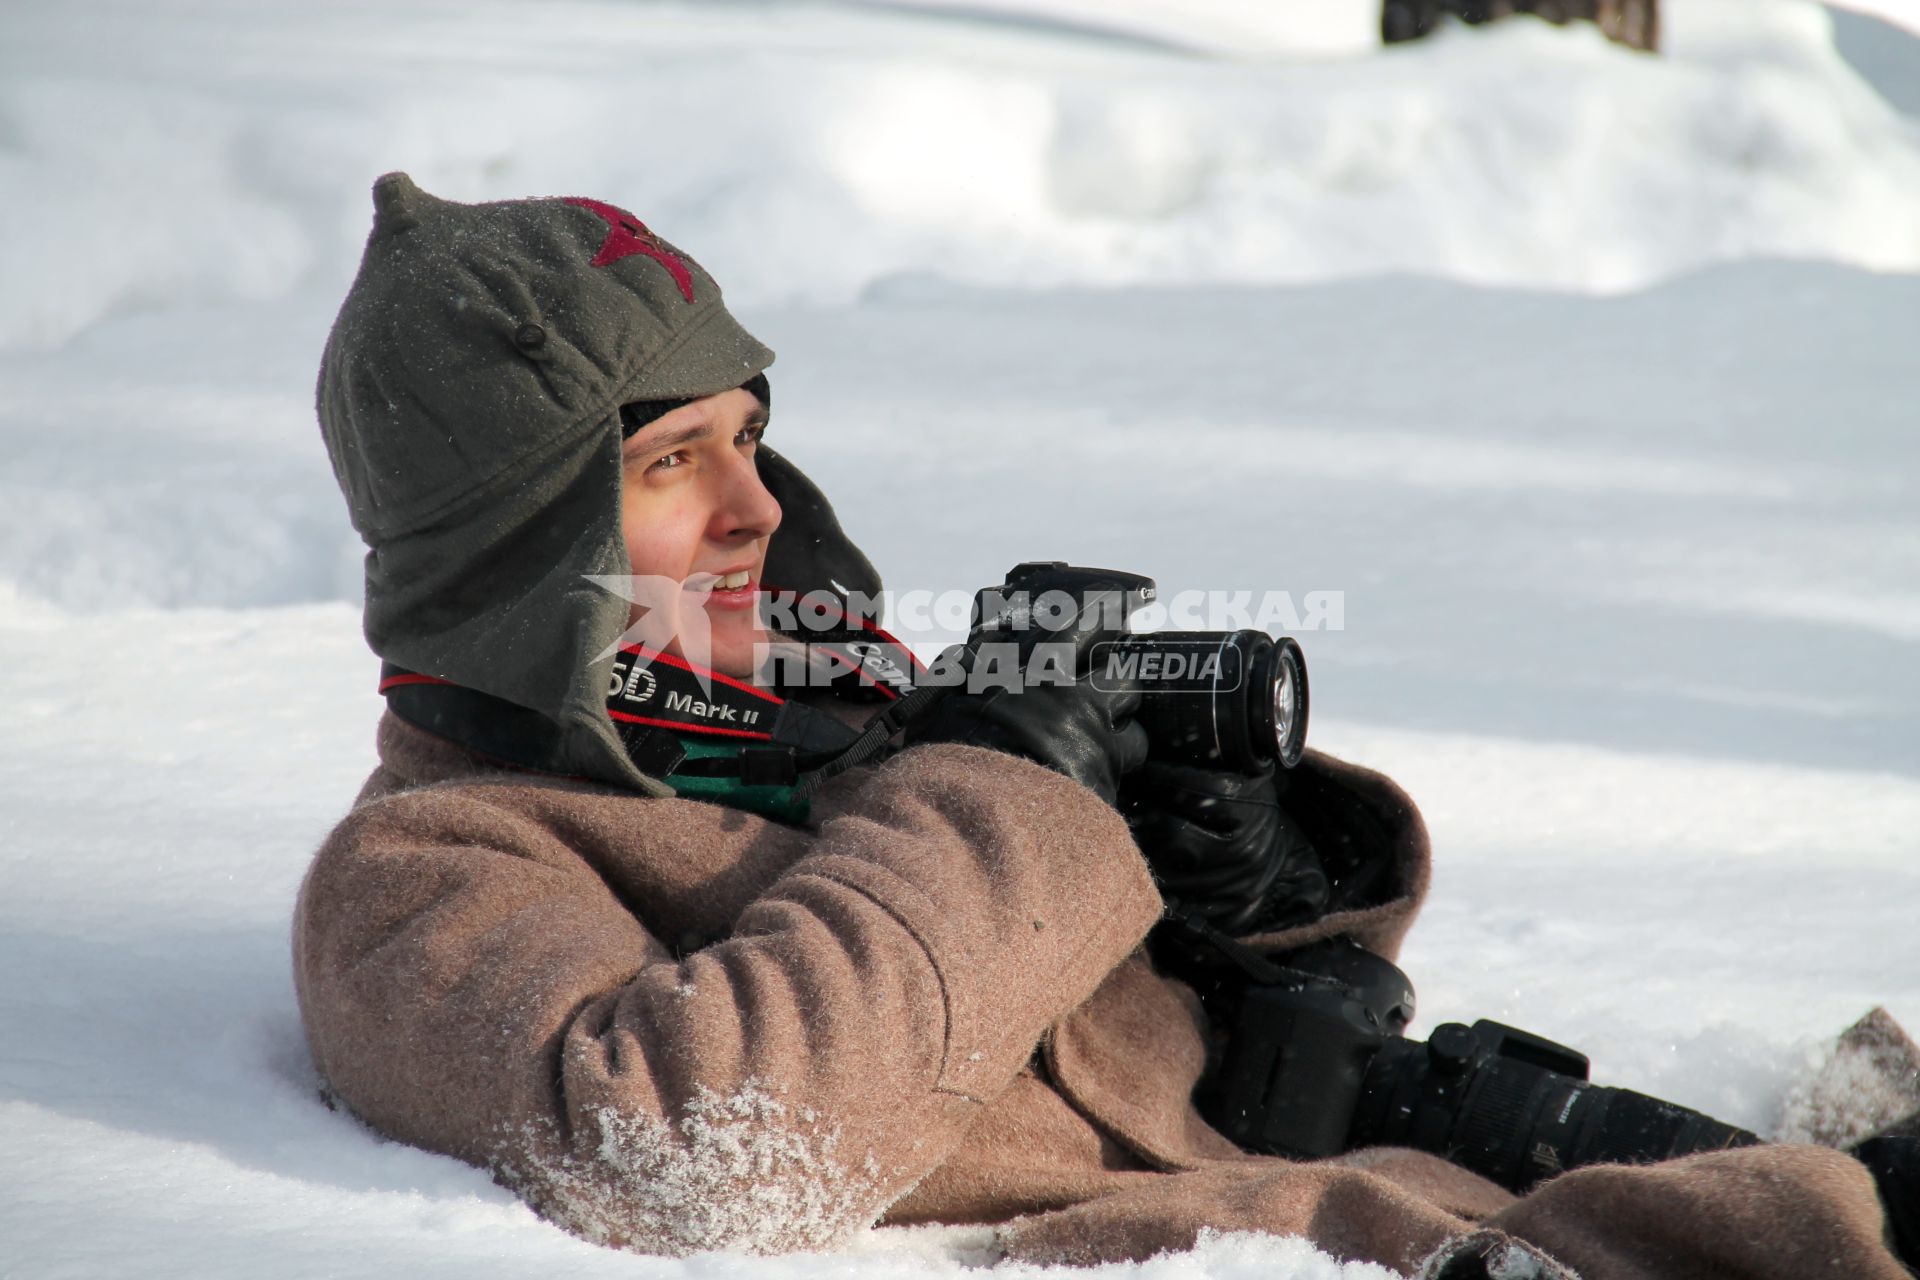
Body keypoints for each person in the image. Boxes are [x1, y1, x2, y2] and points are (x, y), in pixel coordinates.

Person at [293, 174, 1911, 1278]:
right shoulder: (425, 878)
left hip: (1335, 1123)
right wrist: (994, 789)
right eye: (666, 466)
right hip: (1235, 1230)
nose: (756, 510)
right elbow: (707, 1148)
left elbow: (990, 930)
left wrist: (1237, 880)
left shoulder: (780, 693)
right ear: (514, 553)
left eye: (748, 440)